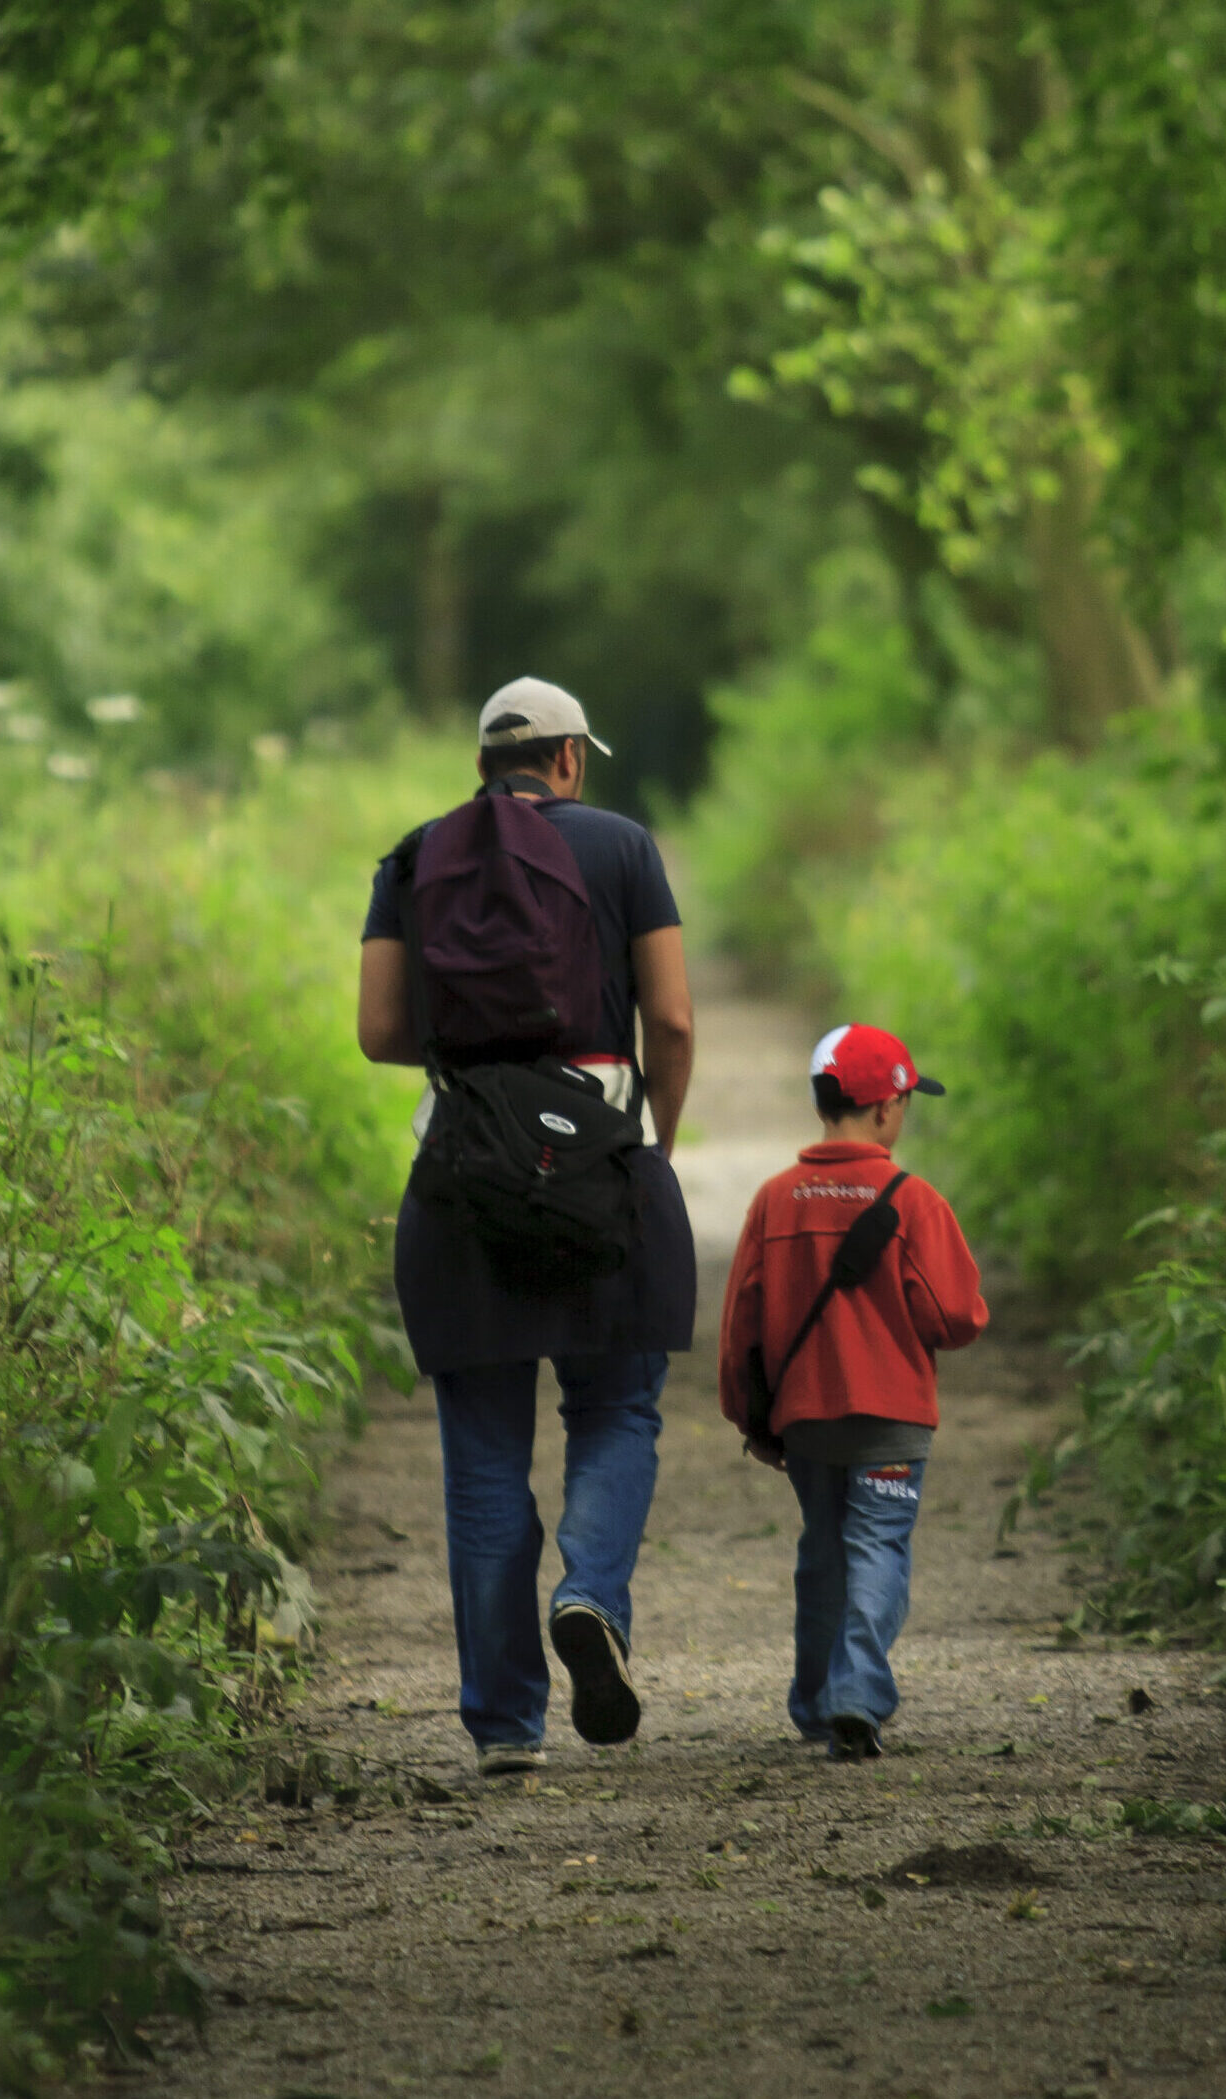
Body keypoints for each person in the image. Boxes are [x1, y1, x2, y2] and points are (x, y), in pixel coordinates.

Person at [358, 676, 696, 1777]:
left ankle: (507, 1725)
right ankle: (590, 1590)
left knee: (484, 1457)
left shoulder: (413, 857)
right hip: (600, 1158)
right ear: (568, 759)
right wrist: (652, 1138)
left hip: (464, 1170)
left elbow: (378, 1030)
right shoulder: (624, 847)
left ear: (480, 767)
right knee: (616, 1405)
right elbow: (674, 1017)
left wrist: (488, 1067)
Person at [718, 1023, 987, 1759]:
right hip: (891, 1418)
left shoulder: (775, 1200)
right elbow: (956, 1316)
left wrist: (751, 1417)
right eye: (904, 1098)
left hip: (805, 1418)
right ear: (884, 1108)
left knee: (824, 1551)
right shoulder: (914, 1200)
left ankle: (814, 1699)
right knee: (876, 1544)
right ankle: (856, 1693)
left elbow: (741, 1320)